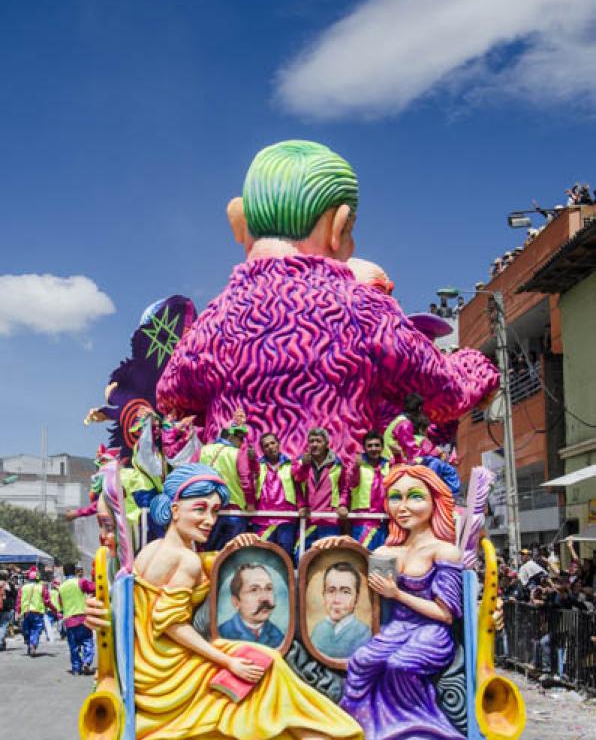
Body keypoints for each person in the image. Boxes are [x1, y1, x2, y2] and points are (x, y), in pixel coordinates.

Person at [156, 140, 499, 462]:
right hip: (341, 516)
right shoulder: (365, 311)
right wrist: (474, 366)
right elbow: (444, 391)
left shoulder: (217, 319)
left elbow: (171, 395)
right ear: (338, 226)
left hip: (236, 515)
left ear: (240, 222)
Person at [87, 464, 363, 740]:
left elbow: (194, 571)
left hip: (147, 657)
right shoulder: (185, 561)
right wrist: (227, 662)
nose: (209, 520)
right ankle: (299, 727)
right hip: (164, 666)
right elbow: (170, 625)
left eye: (215, 512)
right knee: (263, 661)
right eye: (200, 509)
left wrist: (232, 549)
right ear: (175, 509)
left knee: (256, 658)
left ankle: (292, 724)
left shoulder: (154, 548)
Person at [338, 464, 468, 740]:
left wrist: (397, 593)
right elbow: (369, 588)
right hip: (396, 629)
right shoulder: (387, 551)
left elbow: (445, 614)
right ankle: (363, 728)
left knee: (400, 664)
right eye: (395, 497)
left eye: (415, 497)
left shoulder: (444, 551)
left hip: (431, 631)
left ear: (435, 500)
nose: (403, 507)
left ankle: (420, 731)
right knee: (361, 662)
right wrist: (344, 545)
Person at [200, 409, 255, 550]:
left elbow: (191, 474)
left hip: (208, 509)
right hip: (234, 511)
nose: (241, 441)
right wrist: (250, 503)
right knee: (232, 551)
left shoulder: (204, 450)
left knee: (207, 550)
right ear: (231, 436)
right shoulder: (237, 453)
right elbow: (246, 480)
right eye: (240, 437)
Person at [292, 428, 349, 551]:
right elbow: (297, 482)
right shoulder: (300, 462)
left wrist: (342, 504)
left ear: (326, 443)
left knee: (328, 557)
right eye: (311, 441)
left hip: (329, 519)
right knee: (301, 556)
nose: (314, 444)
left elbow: (345, 488)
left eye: (318, 441)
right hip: (308, 519)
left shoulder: (337, 464)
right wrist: (301, 505)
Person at [251, 432, 299, 557]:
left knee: (285, 556)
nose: (271, 447)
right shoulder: (257, 465)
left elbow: (299, 487)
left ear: (278, 444)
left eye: (273, 443)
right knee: (264, 557)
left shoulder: (291, 464)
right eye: (266, 445)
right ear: (262, 450)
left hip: (286, 518)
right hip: (262, 519)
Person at [311, 562, 371, 659]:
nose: (336, 600)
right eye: (331, 591)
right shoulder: (318, 630)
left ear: (357, 597)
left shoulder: (363, 634)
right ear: (323, 594)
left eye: (345, 592)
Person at [218, 563, 284, 647]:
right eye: (254, 590)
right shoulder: (223, 633)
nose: (264, 598)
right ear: (236, 602)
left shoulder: (279, 636)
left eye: (268, 588)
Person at [347, 431, 390, 549]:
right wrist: (356, 467)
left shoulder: (388, 465)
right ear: (364, 448)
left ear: (382, 447)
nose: (373, 448)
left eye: (377, 445)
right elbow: (351, 483)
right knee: (363, 559)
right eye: (370, 446)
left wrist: (398, 456)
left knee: (381, 561)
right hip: (363, 520)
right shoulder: (357, 465)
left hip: (384, 520)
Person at [58, 563, 95, 675]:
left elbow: (60, 604)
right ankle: (86, 662)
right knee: (87, 641)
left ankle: (76, 669)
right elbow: (92, 588)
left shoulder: (61, 587)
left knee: (73, 646)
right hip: (82, 618)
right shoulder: (80, 581)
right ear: (74, 571)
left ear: (64, 572)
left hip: (69, 621)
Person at [15, 568, 56, 657]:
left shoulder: (23, 588)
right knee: (36, 630)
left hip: (26, 612)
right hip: (37, 612)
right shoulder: (42, 587)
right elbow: (47, 601)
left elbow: (18, 601)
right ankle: (33, 644)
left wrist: (17, 612)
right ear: (38, 578)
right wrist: (54, 609)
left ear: (29, 578)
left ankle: (29, 642)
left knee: (27, 629)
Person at [0, 570, 16, 652]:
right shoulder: (8, 585)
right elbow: (14, 595)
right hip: (6, 608)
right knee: (3, 626)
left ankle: (2, 644)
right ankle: (0, 642)